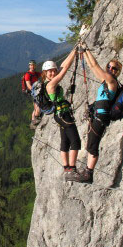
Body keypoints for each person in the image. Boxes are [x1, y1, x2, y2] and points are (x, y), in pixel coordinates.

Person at [68, 46, 123, 184]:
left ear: (118, 72)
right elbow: (93, 67)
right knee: (91, 143)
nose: (111, 69)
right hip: (97, 115)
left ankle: (88, 174)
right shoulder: (107, 82)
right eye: (109, 67)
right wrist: (84, 52)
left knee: (93, 145)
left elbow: (94, 66)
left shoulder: (112, 81)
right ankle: (87, 171)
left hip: (101, 117)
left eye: (114, 68)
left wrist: (86, 51)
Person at [38, 48, 82, 180]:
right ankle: (72, 170)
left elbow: (62, 66)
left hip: (60, 115)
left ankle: (66, 169)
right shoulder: (50, 84)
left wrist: (74, 50)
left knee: (65, 142)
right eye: (49, 71)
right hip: (63, 115)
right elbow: (65, 69)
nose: (52, 73)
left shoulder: (46, 84)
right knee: (75, 141)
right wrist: (75, 53)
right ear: (45, 73)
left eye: (53, 70)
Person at [25, 60, 42, 129]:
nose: (32, 66)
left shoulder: (35, 73)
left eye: (33, 65)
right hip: (33, 92)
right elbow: (28, 85)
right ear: (29, 66)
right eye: (31, 65)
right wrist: (34, 91)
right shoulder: (27, 75)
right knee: (37, 106)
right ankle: (36, 118)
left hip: (36, 90)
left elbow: (42, 74)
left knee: (36, 106)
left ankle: (33, 121)